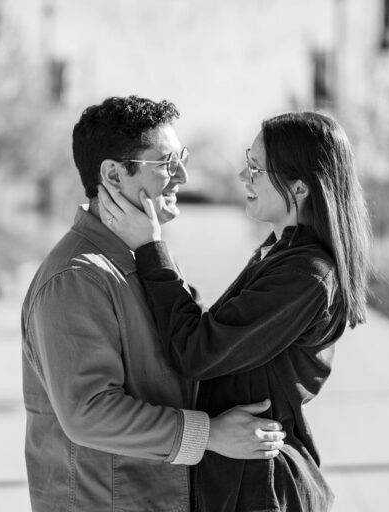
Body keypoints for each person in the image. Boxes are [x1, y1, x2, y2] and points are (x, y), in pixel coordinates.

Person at [21, 95, 287, 512]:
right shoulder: (76, 277)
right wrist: (211, 434)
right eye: (166, 163)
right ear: (113, 174)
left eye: (181, 158)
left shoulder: (140, 256)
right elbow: (88, 412)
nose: (183, 175)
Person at [98, 111, 372, 511]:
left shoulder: (305, 276)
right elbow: (214, 332)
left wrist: (151, 249)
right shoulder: (282, 255)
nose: (244, 176)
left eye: (257, 168)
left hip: (261, 489)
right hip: (244, 481)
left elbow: (196, 351)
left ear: (299, 187)